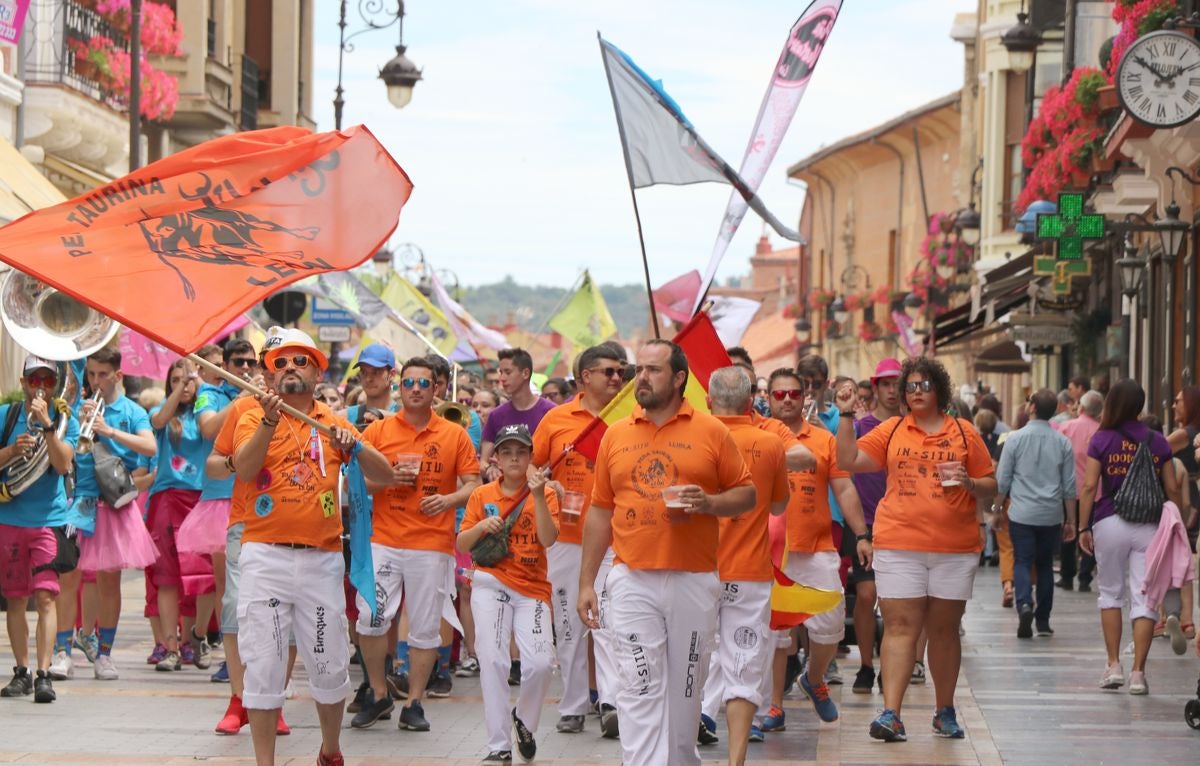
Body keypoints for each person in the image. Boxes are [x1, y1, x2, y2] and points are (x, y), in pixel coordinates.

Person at [577, 340, 756, 766]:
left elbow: (747, 495)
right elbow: (600, 512)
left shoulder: (712, 430)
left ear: (679, 379)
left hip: (693, 578)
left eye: (653, 370)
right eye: (638, 369)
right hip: (631, 576)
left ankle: (680, 760)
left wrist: (710, 504)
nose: (640, 378)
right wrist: (586, 582)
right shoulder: (616, 434)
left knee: (686, 688)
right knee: (639, 685)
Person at [231, 328, 392, 766]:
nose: (289, 369)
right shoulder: (251, 415)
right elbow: (244, 469)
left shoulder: (334, 423)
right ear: (268, 376)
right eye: (279, 363)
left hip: (321, 560)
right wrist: (267, 420)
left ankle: (331, 751)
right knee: (262, 665)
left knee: (329, 662)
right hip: (265, 556)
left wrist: (354, 445)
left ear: (317, 371)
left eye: (299, 361)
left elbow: (386, 475)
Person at [834, 357, 996, 742]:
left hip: (954, 547)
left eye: (924, 386)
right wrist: (843, 414)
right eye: (911, 387)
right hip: (898, 543)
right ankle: (891, 713)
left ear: (939, 389)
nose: (916, 392)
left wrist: (971, 483)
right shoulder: (892, 430)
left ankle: (944, 710)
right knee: (900, 627)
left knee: (943, 631)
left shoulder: (964, 431)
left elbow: (991, 483)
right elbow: (848, 460)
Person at [351, 357, 481, 732]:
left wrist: (448, 500)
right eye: (409, 383)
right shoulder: (378, 432)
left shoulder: (454, 433)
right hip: (385, 540)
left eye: (424, 384)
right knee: (370, 616)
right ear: (399, 386)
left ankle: (415, 702)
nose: (416, 390)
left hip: (431, 543)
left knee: (425, 626)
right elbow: (361, 483)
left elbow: (473, 483)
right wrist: (390, 479)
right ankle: (377, 693)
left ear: (436, 388)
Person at [763, 367, 870, 729]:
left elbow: (845, 489)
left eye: (793, 393)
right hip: (771, 550)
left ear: (805, 396)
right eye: (779, 395)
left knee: (830, 626)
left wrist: (862, 534)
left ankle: (814, 678)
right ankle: (774, 706)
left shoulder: (823, 440)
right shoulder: (759, 437)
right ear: (768, 399)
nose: (788, 400)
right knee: (776, 635)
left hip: (818, 547)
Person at [531, 343, 625, 735]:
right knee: (570, 624)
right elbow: (534, 467)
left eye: (620, 371)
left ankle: (611, 703)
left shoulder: (628, 419)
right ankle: (572, 705)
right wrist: (545, 483)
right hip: (567, 538)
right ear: (585, 377)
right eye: (608, 371)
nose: (617, 378)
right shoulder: (556, 420)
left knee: (607, 622)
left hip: (615, 537)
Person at [697, 367, 789, 765]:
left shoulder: (695, 440)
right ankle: (736, 761)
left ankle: (683, 747)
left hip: (697, 569)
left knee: (691, 663)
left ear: (708, 401)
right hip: (749, 573)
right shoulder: (770, 444)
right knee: (743, 665)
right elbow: (779, 505)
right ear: (752, 401)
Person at [457, 424, 560, 765]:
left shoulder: (545, 492)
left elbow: (547, 539)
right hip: (490, 582)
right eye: (507, 452)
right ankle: (498, 746)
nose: (514, 458)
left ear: (531, 456)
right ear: (497, 459)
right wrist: (480, 527)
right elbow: (460, 544)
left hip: (532, 589)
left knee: (541, 663)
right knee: (493, 659)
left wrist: (540, 496)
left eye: (521, 452)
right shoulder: (481, 495)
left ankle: (524, 722)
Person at [61, 347, 159, 682]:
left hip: (114, 502)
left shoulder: (131, 411)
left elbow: (150, 447)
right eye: (92, 374)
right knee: (68, 576)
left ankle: (104, 654)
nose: (96, 381)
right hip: (81, 499)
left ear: (118, 375)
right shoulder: (79, 407)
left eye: (103, 374)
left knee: (109, 582)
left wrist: (110, 431)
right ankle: (63, 651)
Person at [1077, 379, 1181, 696]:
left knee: (1110, 593)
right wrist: (1180, 520)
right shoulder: (1158, 441)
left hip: (1109, 521)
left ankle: (1113, 666)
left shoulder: (1102, 439)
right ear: (1140, 405)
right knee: (1145, 596)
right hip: (1149, 525)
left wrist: (1083, 527)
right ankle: (1138, 673)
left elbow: (1090, 487)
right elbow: (1172, 488)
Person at [181, 339, 260, 683]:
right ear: (225, 366)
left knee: (257, 585)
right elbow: (209, 428)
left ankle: (253, 655)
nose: (245, 369)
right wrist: (243, 399)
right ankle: (232, 658)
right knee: (229, 585)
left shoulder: (263, 393)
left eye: (250, 363)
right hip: (218, 499)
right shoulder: (208, 394)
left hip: (256, 498)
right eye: (238, 362)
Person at [0, 356, 79, 703]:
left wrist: (48, 426)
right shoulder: (7, 416)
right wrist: (10, 451)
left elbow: (63, 464)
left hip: (48, 520)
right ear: (23, 382)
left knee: (46, 596)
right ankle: (21, 670)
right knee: (16, 600)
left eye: (48, 381)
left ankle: (44, 673)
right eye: (35, 381)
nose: (41, 387)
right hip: (10, 520)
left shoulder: (64, 420)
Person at [146, 359, 214, 671]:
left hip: (200, 499)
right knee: (167, 578)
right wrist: (178, 389)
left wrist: (199, 386)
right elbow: (159, 421)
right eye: (175, 380)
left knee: (201, 576)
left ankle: (192, 640)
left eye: (186, 380)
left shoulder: (204, 411)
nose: (183, 385)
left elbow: (209, 430)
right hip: (166, 499)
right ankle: (170, 647)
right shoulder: (161, 411)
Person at [993, 389, 1077, 638]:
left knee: (1021, 560)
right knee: (1044, 565)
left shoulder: (1014, 439)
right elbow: (1069, 486)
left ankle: (1024, 604)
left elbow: (1003, 480)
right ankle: (1042, 620)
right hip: (1050, 514)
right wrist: (1071, 520)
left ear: (1031, 408)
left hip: (1021, 513)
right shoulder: (1062, 442)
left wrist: (997, 509)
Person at [849, 358, 902, 694]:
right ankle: (866, 665)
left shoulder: (913, 425)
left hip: (902, 524)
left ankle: (892, 666)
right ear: (876, 387)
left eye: (898, 383)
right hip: (867, 521)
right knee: (867, 594)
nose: (892, 390)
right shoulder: (861, 427)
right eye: (886, 384)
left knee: (897, 602)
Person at [480, 349, 556, 482]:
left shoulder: (552, 412)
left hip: (541, 492)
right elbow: (483, 462)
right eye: (501, 372)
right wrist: (490, 469)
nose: (502, 378)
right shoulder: (496, 415)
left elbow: (556, 459)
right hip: (505, 494)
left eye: (508, 372)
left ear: (525, 373)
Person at [1058, 391, 1104, 592]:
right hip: (1097, 492)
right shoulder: (1102, 431)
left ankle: (1067, 576)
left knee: (1069, 530)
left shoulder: (1066, 427)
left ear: (1081, 408)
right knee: (1092, 533)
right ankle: (1085, 577)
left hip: (1068, 489)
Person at [1165, 385, 1200, 642]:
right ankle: (1185, 618)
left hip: (1185, 503)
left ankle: (1175, 614)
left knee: (1178, 559)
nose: (1175, 405)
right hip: (1194, 502)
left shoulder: (1184, 434)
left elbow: (1155, 453)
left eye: (1179, 401)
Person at [346, 343, 398, 430]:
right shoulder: (345, 418)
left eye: (376, 372)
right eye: (364, 372)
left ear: (392, 374)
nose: (368, 379)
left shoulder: (406, 419)